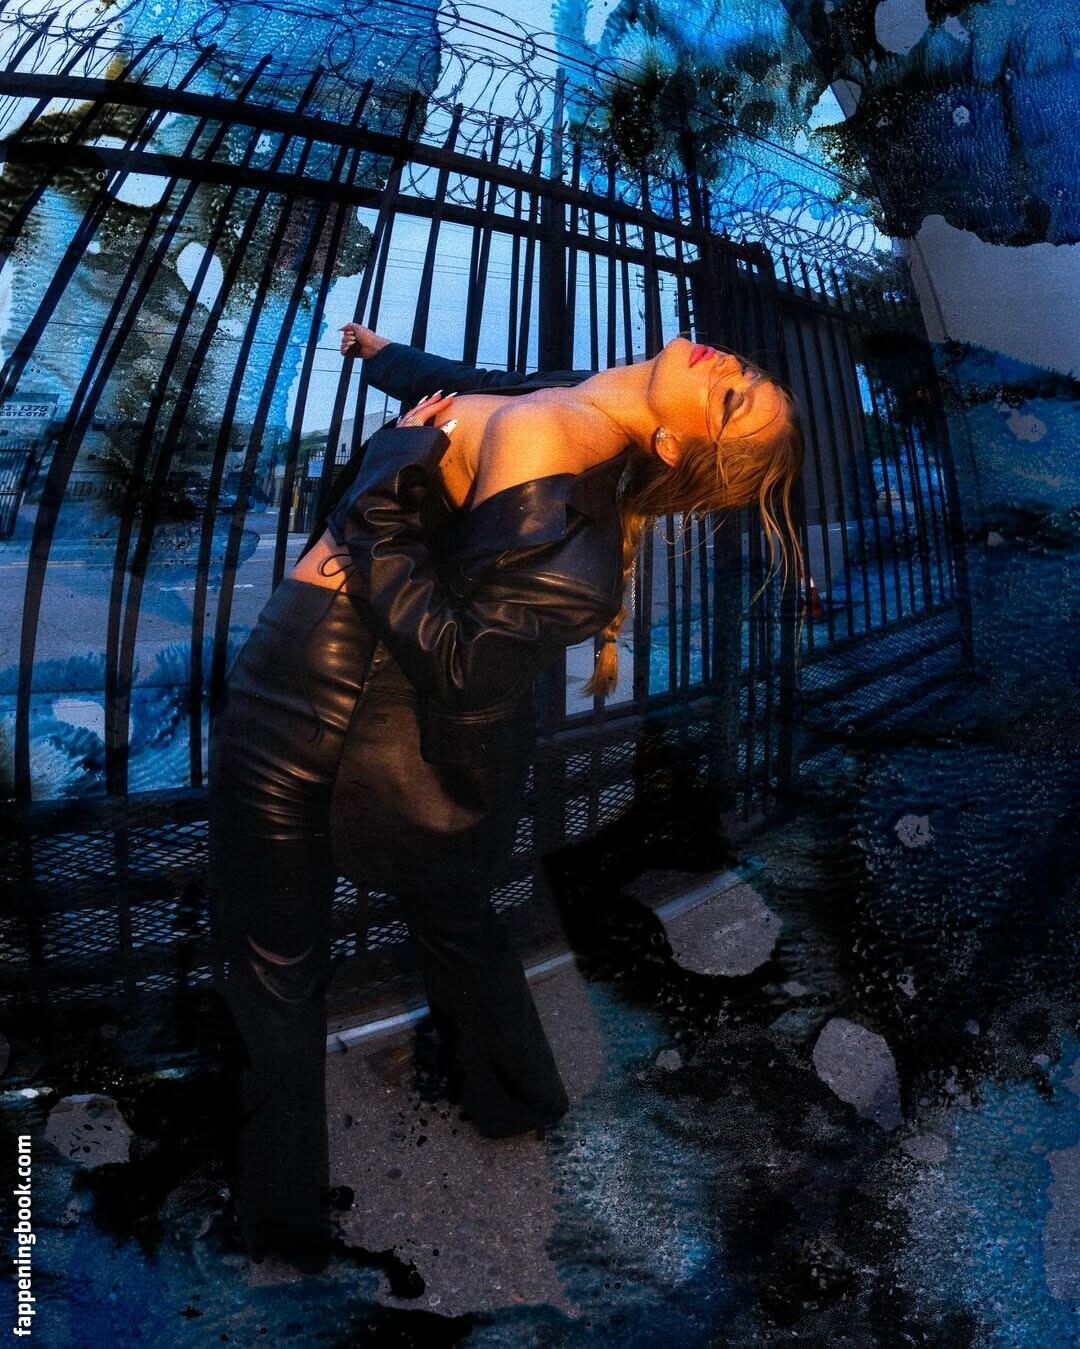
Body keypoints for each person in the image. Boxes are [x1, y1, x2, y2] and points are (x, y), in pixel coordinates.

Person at [208, 325, 804, 1271]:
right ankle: (514, 1096)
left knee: (273, 963)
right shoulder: (577, 399)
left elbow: (463, 665)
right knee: (450, 914)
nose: (731, 366)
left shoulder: (560, 465)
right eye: (748, 371)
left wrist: (386, 483)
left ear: (673, 444)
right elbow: (476, 383)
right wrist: (383, 356)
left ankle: (279, 1229)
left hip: (311, 694)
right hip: (353, 688)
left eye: (732, 398)